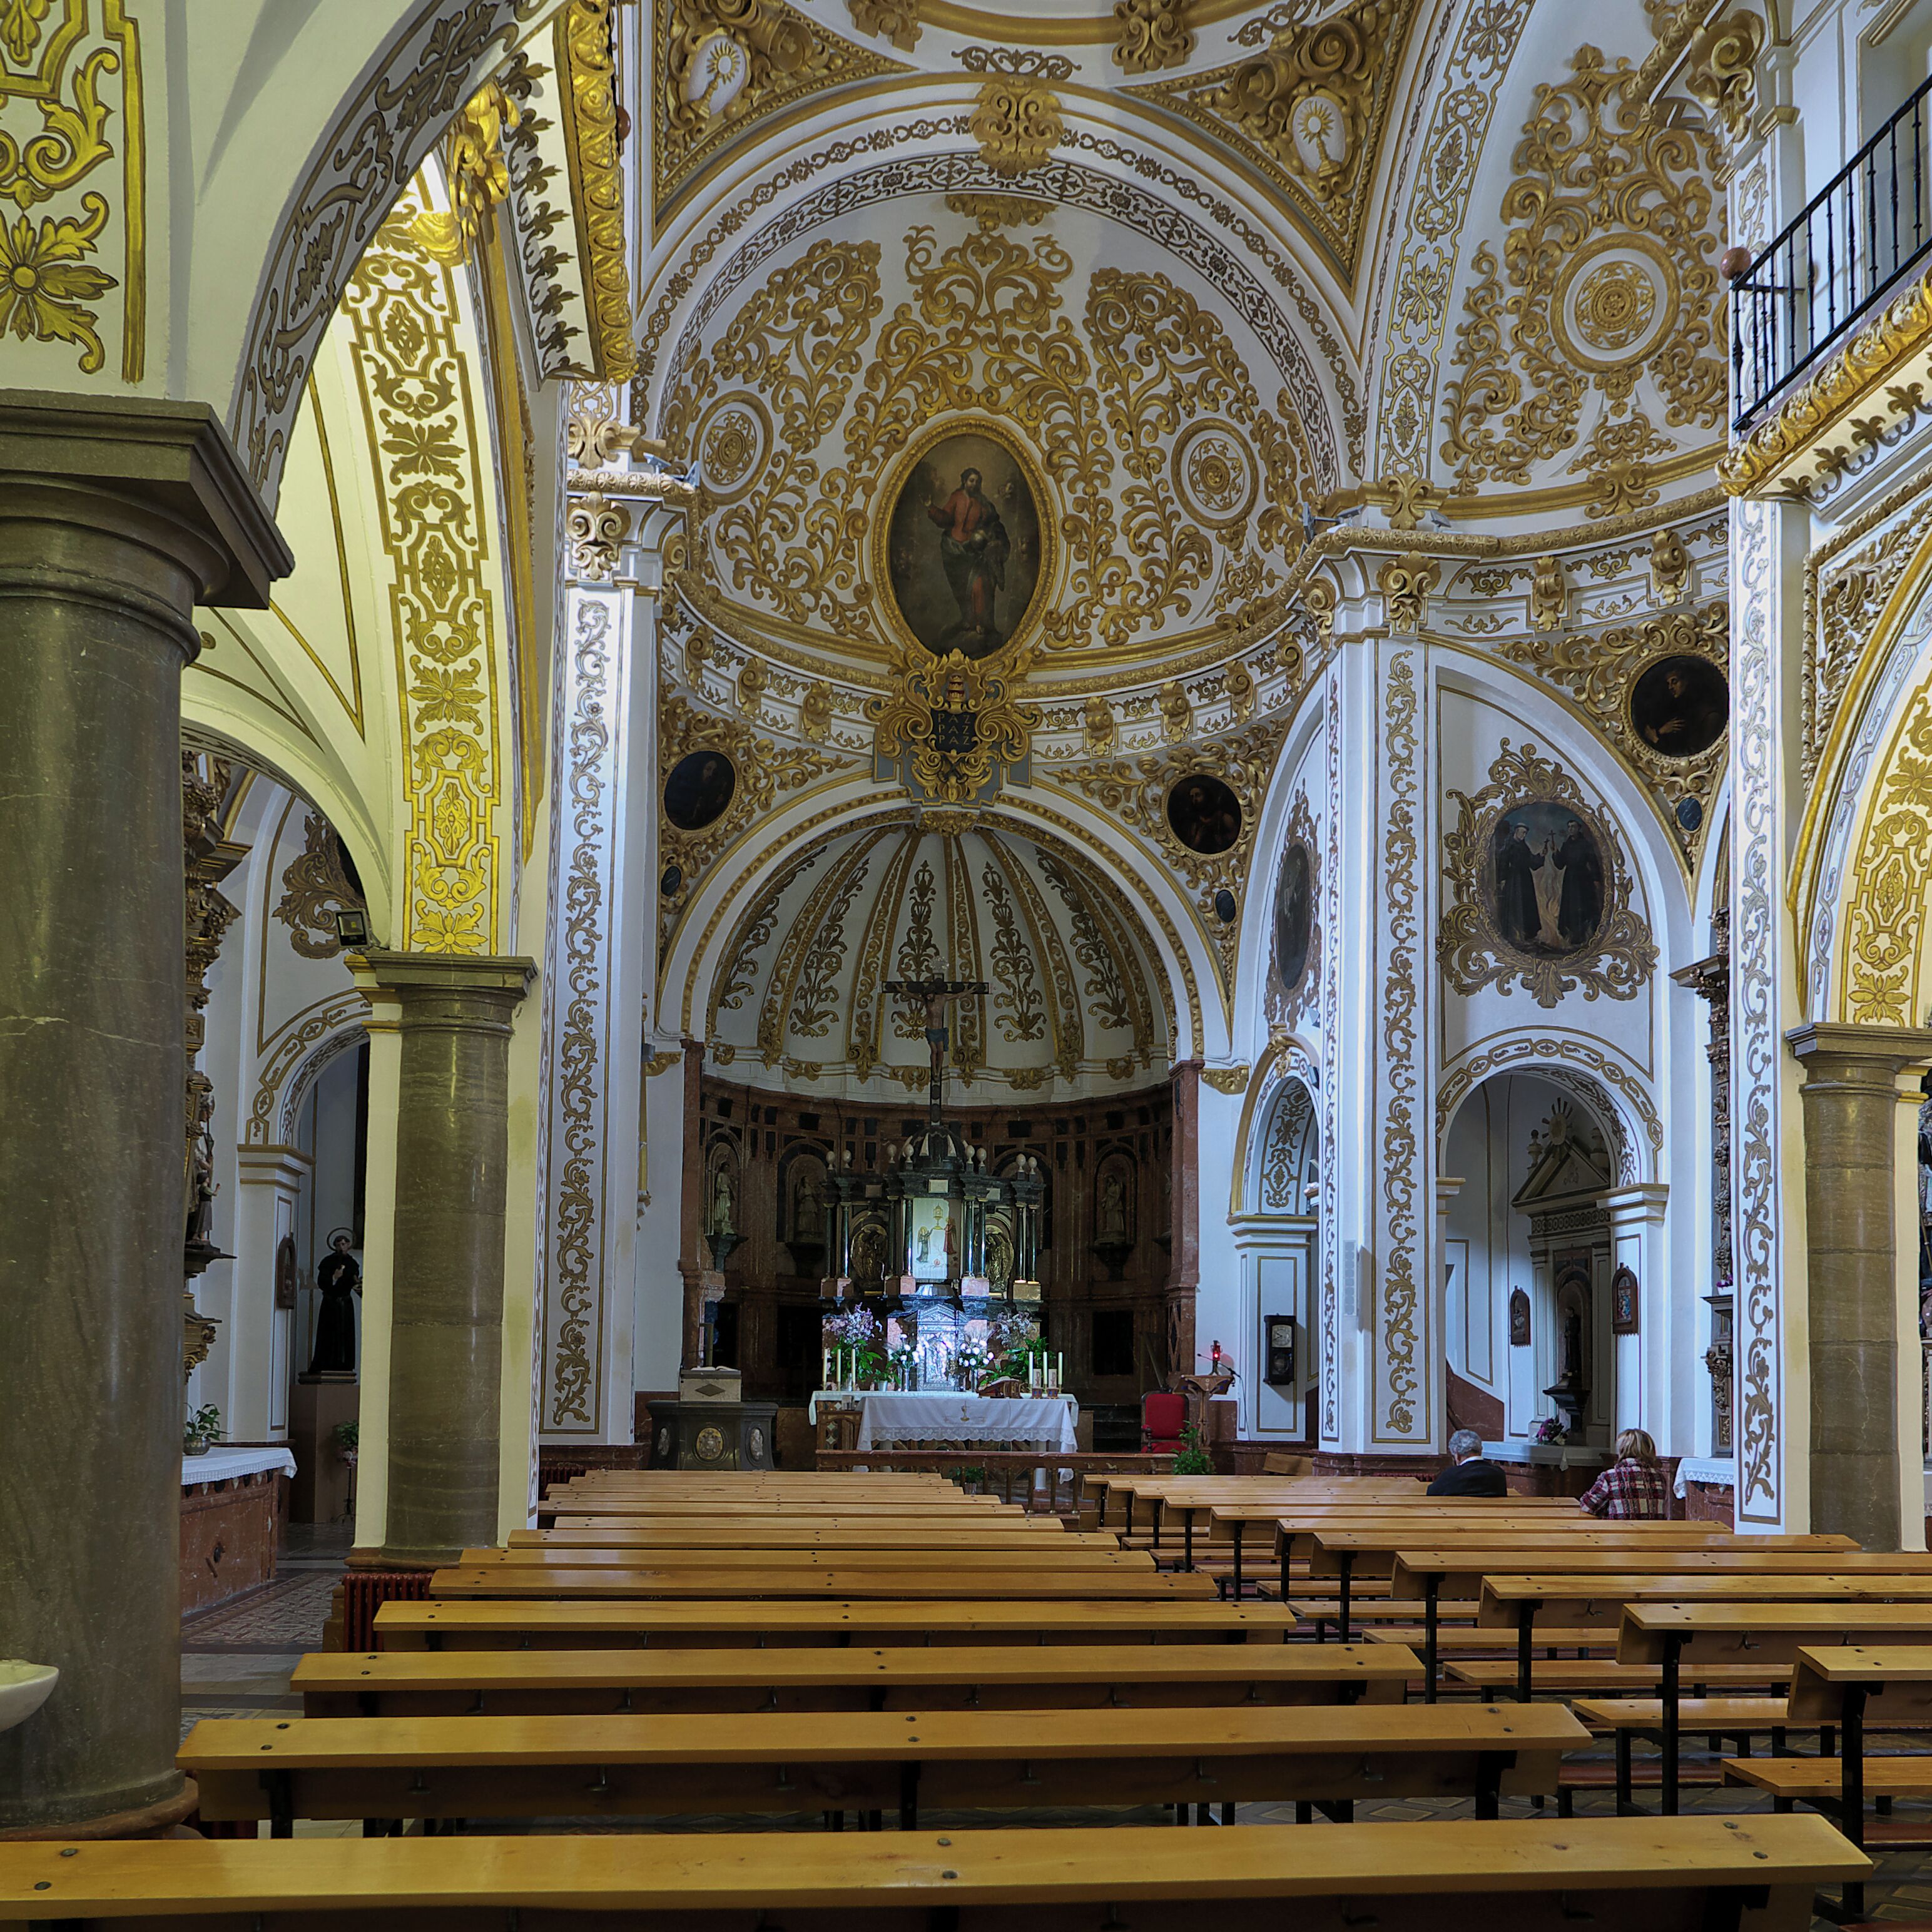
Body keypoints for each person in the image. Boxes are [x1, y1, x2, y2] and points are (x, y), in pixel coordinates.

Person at [1578, 1427, 1668, 1518]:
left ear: (1621, 1449)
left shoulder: (1610, 1476)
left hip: (1620, 1532)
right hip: (1653, 1531)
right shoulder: (1659, 1477)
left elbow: (1587, 1506)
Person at [307, 1233, 361, 1376]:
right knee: (328, 1335)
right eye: (339, 1244)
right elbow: (322, 1283)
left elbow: (354, 1282)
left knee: (345, 1335)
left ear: (349, 1245)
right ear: (335, 1246)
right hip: (331, 1304)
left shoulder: (353, 1263)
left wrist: (358, 1284)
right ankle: (326, 1363)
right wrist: (334, 1278)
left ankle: (345, 1365)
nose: (341, 1247)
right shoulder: (327, 1262)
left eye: (344, 1244)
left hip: (345, 1303)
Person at [1426, 1427, 1508, 1497]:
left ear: (1458, 1456)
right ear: (1480, 1451)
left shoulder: (1451, 1475)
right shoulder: (1499, 1474)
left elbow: (1431, 1492)